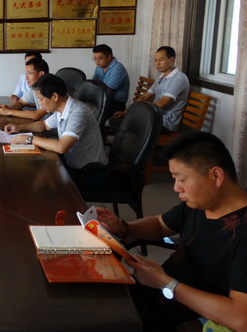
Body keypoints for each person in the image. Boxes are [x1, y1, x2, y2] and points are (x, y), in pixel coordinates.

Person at [96, 131, 247, 331]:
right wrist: (125, 227)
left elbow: (240, 318)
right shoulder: (200, 204)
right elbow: (160, 224)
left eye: (181, 179)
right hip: (155, 294)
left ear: (216, 176)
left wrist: (165, 282)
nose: (176, 188)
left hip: (181, 316)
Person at [6, 74, 107, 179]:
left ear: (54, 96)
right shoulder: (61, 109)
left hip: (89, 173)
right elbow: (44, 125)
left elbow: (61, 147)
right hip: (71, 163)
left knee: (33, 175)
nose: (40, 104)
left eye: (41, 99)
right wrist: (19, 127)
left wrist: (29, 139)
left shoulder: (77, 112)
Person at [113, 46, 189, 133]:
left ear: (171, 59)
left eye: (161, 60)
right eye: (155, 60)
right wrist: (127, 112)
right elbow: (145, 96)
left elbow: (162, 102)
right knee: (116, 121)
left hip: (165, 122)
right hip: (153, 115)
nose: (157, 64)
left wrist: (138, 114)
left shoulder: (179, 78)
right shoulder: (161, 76)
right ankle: (128, 141)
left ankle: (132, 142)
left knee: (125, 124)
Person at [91, 44, 130, 120]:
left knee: (92, 116)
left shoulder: (118, 68)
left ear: (109, 56)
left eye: (100, 58)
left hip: (116, 103)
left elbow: (107, 91)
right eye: (95, 59)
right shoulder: (99, 67)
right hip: (103, 99)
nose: (97, 62)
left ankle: (97, 127)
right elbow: (93, 83)